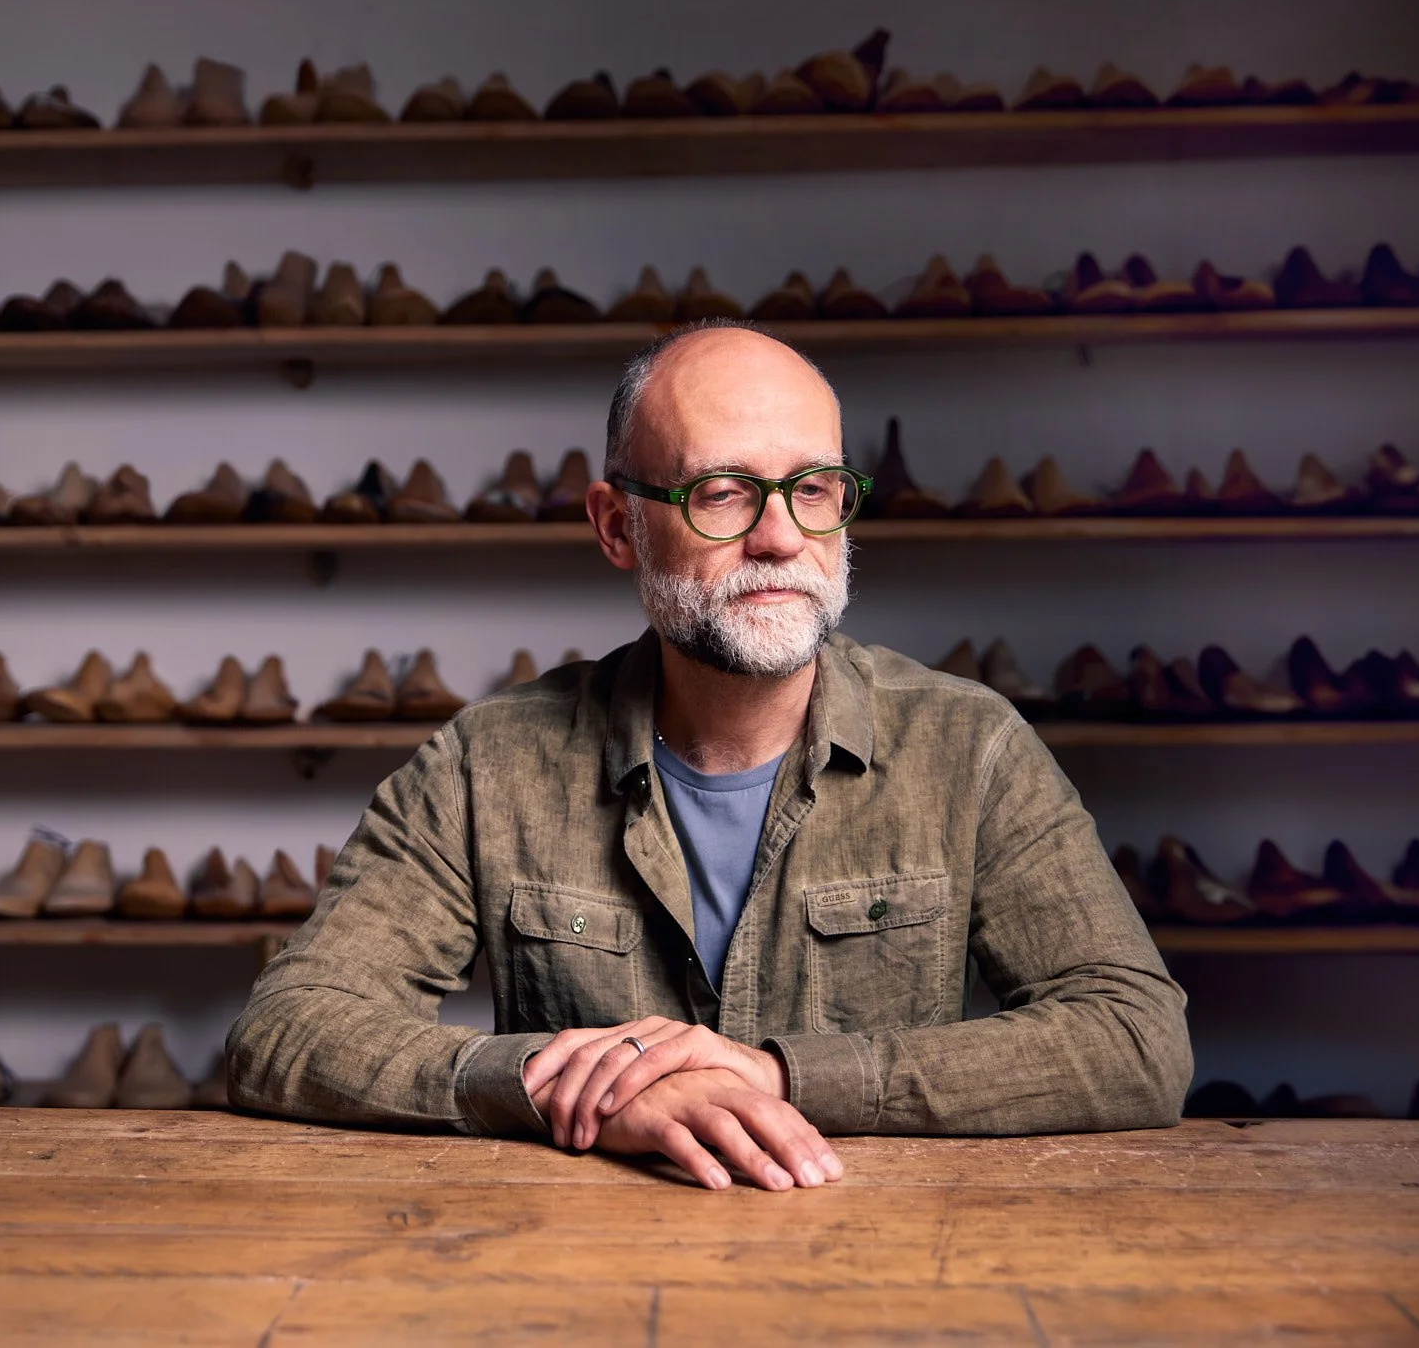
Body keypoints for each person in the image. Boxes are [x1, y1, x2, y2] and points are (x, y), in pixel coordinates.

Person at [229, 320, 1192, 1191]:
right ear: (618, 525)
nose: (781, 537)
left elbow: (1135, 1038)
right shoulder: (487, 764)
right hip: (563, 1279)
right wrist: (573, 1092)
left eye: (813, 489)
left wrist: (780, 1075)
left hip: (881, 1269)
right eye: (722, 493)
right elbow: (290, 1027)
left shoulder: (971, 746)